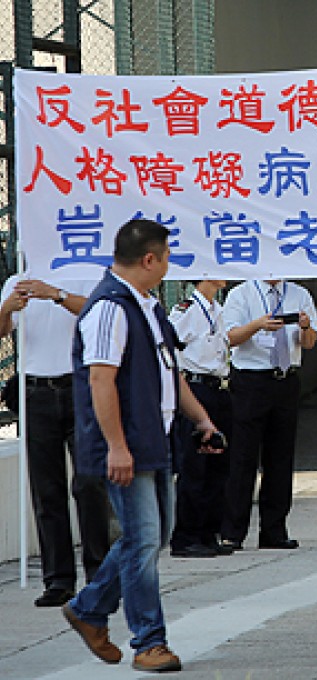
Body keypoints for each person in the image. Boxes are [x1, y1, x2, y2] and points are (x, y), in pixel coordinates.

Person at [62, 219, 224, 673]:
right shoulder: (110, 308)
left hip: (156, 441)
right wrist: (116, 445)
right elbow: (100, 380)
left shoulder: (149, 307)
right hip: (127, 445)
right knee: (142, 538)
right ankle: (149, 641)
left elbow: (171, 374)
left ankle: (90, 608)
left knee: (153, 535)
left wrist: (201, 419)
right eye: (167, 257)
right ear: (149, 259)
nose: (169, 266)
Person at [0, 276, 111, 607]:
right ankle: (58, 579)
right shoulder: (18, 277)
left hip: (80, 386)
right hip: (35, 390)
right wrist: (7, 309)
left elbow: (98, 315)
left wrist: (57, 295)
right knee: (47, 489)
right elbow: (2, 330)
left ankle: (99, 574)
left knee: (90, 483)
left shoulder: (89, 271)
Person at [220, 278, 317, 550]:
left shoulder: (299, 294)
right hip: (251, 380)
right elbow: (229, 337)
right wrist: (257, 325)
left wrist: (305, 326)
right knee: (243, 457)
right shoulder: (241, 294)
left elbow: (309, 342)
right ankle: (232, 531)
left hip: (285, 380)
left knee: (280, 458)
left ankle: (274, 530)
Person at [168, 280, 234, 558]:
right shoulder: (186, 311)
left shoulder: (218, 309)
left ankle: (209, 532)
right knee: (194, 465)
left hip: (218, 387)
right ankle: (186, 536)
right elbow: (170, 349)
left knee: (218, 465)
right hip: (194, 389)